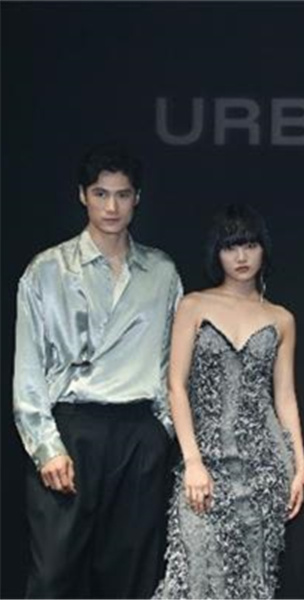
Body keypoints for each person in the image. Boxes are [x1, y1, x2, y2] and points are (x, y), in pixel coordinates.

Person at [13, 142, 182, 598]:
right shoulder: (47, 270)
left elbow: (171, 360)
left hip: (138, 432)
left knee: (131, 574)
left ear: (137, 198)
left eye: (122, 195)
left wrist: (161, 431)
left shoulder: (161, 272)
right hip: (72, 428)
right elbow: (28, 367)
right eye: (101, 194)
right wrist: (46, 447)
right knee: (54, 574)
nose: (111, 207)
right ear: (82, 195)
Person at [155, 204, 304, 599]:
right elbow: (175, 387)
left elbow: (285, 397)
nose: (241, 256)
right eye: (230, 246)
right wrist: (192, 461)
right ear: (216, 253)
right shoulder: (193, 306)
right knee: (190, 576)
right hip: (203, 464)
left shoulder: (281, 319)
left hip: (265, 469)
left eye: (250, 245)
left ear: (263, 250)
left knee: (253, 583)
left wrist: (299, 467)